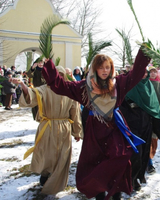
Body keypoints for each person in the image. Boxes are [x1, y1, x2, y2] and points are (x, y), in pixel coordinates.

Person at [42, 48, 150, 200]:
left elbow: (136, 74)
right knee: (95, 164)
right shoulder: (84, 87)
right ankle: (99, 194)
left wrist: (143, 55)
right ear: (95, 68)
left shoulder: (118, 84)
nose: (105, 71)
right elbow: (61, 86)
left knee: (118, 159)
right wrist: (49, 66)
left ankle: (116, 193)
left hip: (115, 129)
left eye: (107, 67)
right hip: (95, 132)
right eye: (101, 67)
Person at [11, 66, 83, 195]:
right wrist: (22, 85)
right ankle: (46, 176)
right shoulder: (45, 90)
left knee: (59, 155)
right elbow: (31, 94)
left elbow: (75, 112)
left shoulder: (65, 91)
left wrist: (77, 132)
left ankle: (49, 179)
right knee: (49, 154)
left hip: (55, 127)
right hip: (52, 127)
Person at [119, 69, 160, 191]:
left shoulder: (149, 86)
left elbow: (154, 106)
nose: (143, 75)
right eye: (141, 72)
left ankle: (138, 177)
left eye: (145, 73)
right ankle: (131, 179)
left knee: (144, 153)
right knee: (134, 153)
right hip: (131, 124)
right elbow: (121, 105)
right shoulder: (130, 86)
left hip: (146, 125)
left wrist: (159, 124)